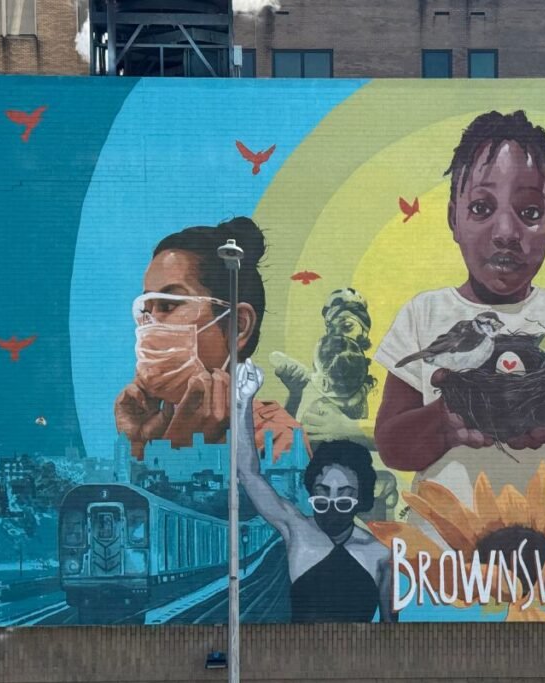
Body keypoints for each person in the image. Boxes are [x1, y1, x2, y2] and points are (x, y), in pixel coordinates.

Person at [373, 110, 545, 514]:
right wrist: (446, 421)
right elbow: (391, 444)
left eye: (530, 213)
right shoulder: (424, 313)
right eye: (481, 208)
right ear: (452, 219)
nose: (507, 234)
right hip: (448, 555)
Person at [113, 217, 304, 460]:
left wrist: (182, 447)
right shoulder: (153, 428)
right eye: (146, 310)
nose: (150, 325)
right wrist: (137, 445)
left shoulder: (276, 438)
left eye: (168, 305)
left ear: (238, 326)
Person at [234, 360, 397, 623]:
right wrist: (243, 403)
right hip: (298, 662)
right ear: (313, 490)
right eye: (324, 491)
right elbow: (249, 474)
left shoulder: (380, 554)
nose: (332, 502)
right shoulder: (297, 530)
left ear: (360, 497)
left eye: (343, 493)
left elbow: (392, 631)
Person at [270, 287, 378, 449]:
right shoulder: (321, 379)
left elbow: (412, 433)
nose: (338, 336)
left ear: (364, 330)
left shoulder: (386, 376)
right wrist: (295, 394)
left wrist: (349, 429)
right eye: (331, 330)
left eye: (347, 326)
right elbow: (287, 445)